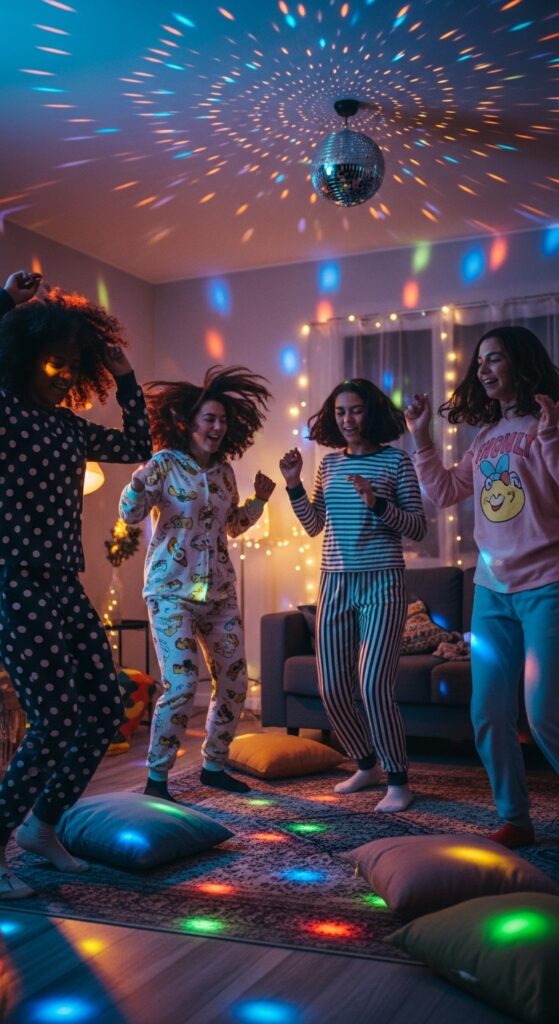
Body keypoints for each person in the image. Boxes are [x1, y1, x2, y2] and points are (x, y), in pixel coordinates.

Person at [0, 270, 152, 898]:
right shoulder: (5, 411)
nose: (63, 375)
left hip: (63, 581)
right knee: (55, 720)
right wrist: (5, 303)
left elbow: (138, 443)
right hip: (14, 580)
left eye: (71, 367)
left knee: (105, 710)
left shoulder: (68, 426)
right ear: (22, 357)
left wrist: (125, 379)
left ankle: (41, 826)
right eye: (52, 363)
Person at [405, 325, 559, 848]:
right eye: (479, 362)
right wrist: (421, 437)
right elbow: (446, 491)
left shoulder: (549, 421)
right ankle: (515, 818)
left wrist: (551, 434)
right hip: (492, 590)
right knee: (488, 712)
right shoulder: (488, 436)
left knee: (545, 715)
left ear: (520, 362)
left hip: (547, 586)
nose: (483, 369)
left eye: (494, 358)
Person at [119, 366, 275, 801]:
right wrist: (135, 485)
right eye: (210, 418)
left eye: (223, 420)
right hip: (171, 592)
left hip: (219, 594)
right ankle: (157, 779)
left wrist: (259, 501)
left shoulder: (225, 473)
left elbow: (232, 526)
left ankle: (214, 766)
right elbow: (130, 516)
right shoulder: (163, 464)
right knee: (183, 684)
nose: (217, 427)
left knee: (235, 684)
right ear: (187, 422)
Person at [279, 378, 427, 812]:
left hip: (383, 581)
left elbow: (418, 528)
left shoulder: (396, 461)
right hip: (334, 582)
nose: (348, 419)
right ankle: (366, 764)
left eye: (356, 410)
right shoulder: (328, 465)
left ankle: (398, 779)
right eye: (340, 412)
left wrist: (376, 502)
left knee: (373, 684)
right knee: (331, 688)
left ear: (372, 412)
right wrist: (293, 484)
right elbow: (314, 524)